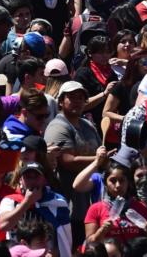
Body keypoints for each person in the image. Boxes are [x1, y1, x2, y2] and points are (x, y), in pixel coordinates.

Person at [44, 81, 101, 246]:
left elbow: (98, 149)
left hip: (90, 202)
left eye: (81, 97)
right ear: (61, 101)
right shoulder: (58, 126)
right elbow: (68, 161)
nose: (77, 101)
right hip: (70, 205)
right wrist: (99, 160)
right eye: (72, 97)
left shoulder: (87, 124)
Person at [0, 162, 73, 257]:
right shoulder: (10, 201)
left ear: (44, 180)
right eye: (28, 177)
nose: (32, 181)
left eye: (36, 177)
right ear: (21, 180)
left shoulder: (58, 202)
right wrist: (27, 202)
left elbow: (63, 239)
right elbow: (4, 225)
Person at [84, 163, 147, 244]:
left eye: (122, 180)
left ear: (128, 183)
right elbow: (89, 243)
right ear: (105, 184)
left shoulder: (142, 207)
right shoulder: (95, 208)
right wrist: (102, 231)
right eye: (113, 181)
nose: (118, 185)